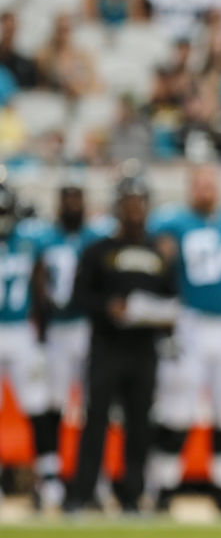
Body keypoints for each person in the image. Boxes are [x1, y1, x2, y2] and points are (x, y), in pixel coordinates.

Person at [147, 164, 221, 513]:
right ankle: (164, 488)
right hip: (191, 321)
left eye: (210, 184)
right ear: (189, 188)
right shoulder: (174, 223)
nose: (206, 190)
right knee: (178, 409)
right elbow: (161, 268)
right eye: (199, 185)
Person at [63, 178, 178, 514]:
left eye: (139, 202)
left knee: (139, 424)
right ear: (118, 206)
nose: (134, 208)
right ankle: (82, 494)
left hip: (143, 348)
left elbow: (172, 298)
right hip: (107, 346)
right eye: (129, 202)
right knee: (96, 420)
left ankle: (132, 495)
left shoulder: (159, 251)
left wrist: (162, 317)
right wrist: (108, 307)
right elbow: (79, 296)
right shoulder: (99, 250)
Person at [31, 184, 109, 509]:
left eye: (77, 198)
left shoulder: (96, 237)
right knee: (53, 403)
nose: (72, 205)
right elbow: (36, 281)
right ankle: (50, 475)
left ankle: (94, 475)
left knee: (94, 404)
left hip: (88, 327)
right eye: (67, 199)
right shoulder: (44, 238)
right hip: (58, 329)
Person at [0, 182, 58, 509]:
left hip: (22, 330)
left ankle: (48, 477)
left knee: (37, 405)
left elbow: (42, 285)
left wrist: (42, 329)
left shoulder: (30, 238)